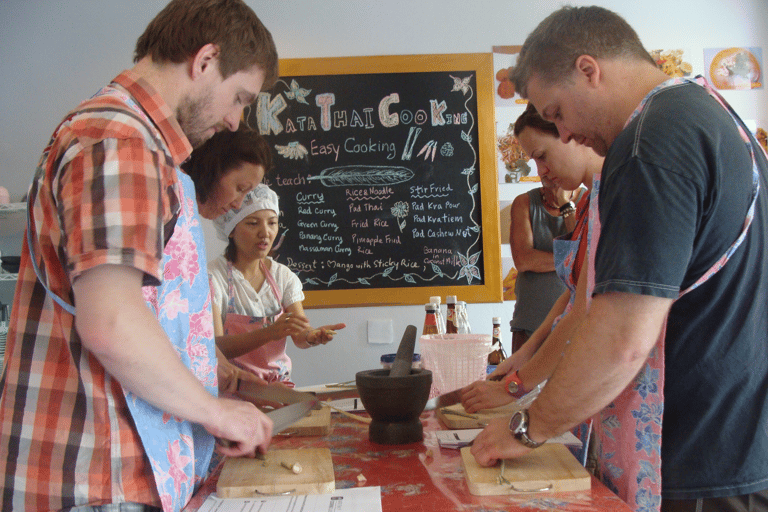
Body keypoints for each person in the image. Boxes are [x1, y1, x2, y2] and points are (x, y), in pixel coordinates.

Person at [470, 6, 768, 512]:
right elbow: (587, 306)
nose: (562, 135)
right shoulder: (707, 111)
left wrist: (527, 428)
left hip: (696, 454)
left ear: (590, 70)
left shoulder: (649, 142)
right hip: (738, 444)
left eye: (558, 111)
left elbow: (622, 338)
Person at [0, 1, 279, 510]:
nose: (236, 119)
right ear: (205, 60)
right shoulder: (120, 140)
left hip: (115, 471)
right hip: (94, 474)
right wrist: (216, 412)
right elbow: (111, 321)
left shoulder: (138, 142)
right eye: (238, 97)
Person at [209, 184, 346, 387]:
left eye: (272, 223)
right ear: (231, 229)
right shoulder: (212, 278)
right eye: (253, 223)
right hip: (235, 389)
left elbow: (299, 333)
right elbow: (215, 347)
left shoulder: (282, 276)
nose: (265, 233)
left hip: (279, 387)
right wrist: (269, 332)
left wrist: (312, 335)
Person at [507, 125, 584, 354]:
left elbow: (583, 254)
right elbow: (523, 260)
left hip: (574, 325)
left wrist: (565, 205)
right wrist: (570, 259)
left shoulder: (587, 199)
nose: (542, 172)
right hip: (528, 325)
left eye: (544, 159)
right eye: (537, 163)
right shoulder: (524, 203)